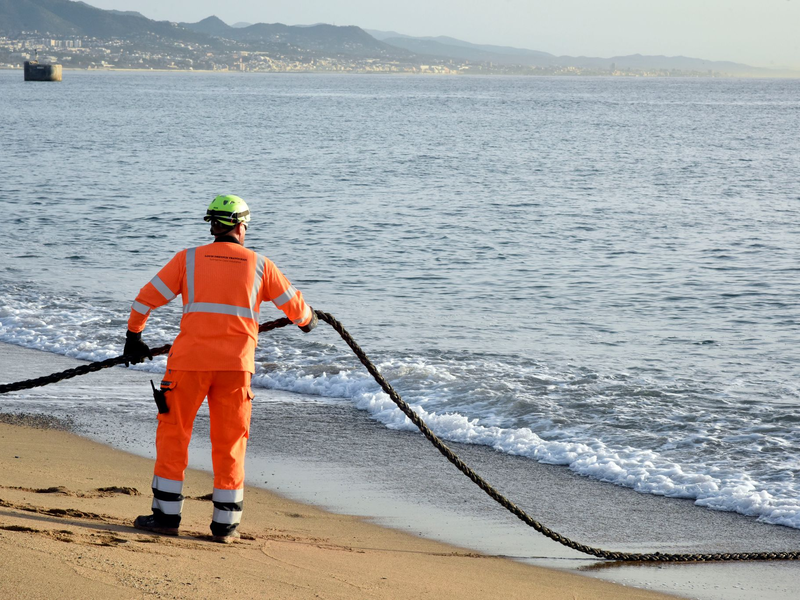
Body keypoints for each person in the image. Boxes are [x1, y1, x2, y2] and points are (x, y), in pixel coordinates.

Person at [123, 195, 317, 543]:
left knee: (174, 436)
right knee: (230, 444)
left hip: (188, 366)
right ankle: (225, 527)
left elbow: (145, 299)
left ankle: (166, 518)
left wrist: (134, 337)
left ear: (212, 225)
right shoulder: (261, 265)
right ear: (242, 226)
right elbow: (301, 316)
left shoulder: (189, 259)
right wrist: (311, 319)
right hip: (235, 370)